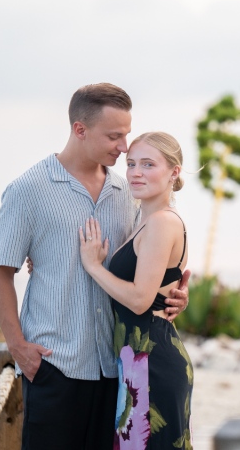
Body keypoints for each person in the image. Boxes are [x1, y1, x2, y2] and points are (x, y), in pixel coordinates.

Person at [0, 83, 189, 450]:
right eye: (115, 136)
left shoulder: (127, 193)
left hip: (116, 370)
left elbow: (146, 263)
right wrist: (18, 347)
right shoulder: (28, 190)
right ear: (80, 129)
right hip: (55, 365)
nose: (124, 146)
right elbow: (0, 272)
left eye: (127, 135)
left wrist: (172, 293)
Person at [79, 131, 193, 450]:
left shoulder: (163, 223)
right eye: (130, 164)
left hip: (153, 365)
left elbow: (141, 301)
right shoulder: (144, 221)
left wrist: (94, 267)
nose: (136, 173)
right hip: (137, 364)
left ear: (174, 171)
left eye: (148, 164)